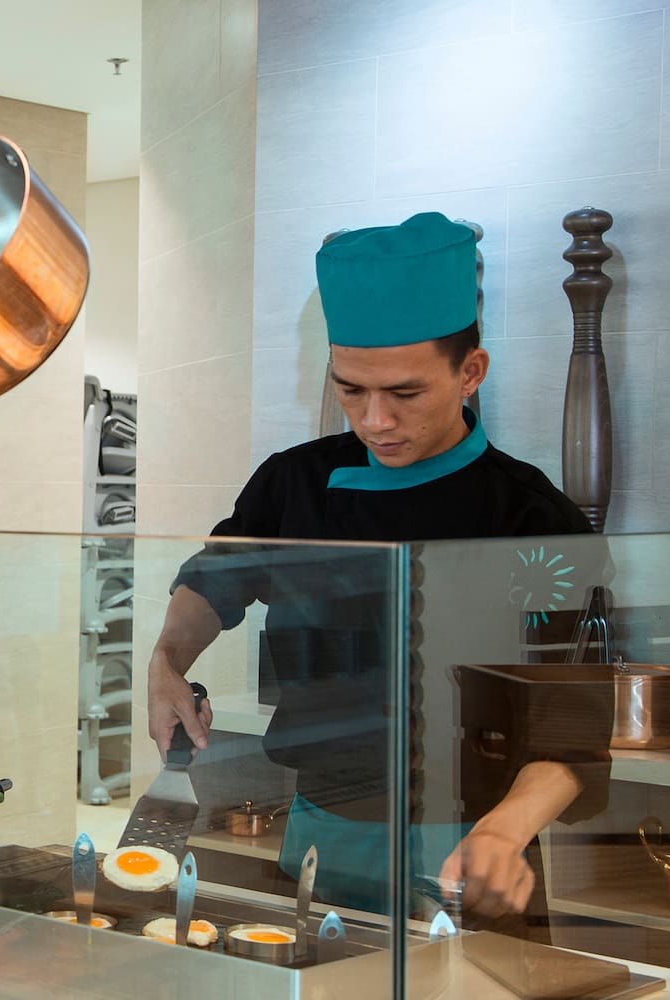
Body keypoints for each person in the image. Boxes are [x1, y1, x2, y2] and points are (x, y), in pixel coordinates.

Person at [143, 212, 604, 928]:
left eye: (405, 393)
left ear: (470, 372)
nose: (375, 419)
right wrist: (168, 659)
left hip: (472, 847)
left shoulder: (533, 519)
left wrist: (506, 830)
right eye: (352, 389)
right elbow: (215, 581)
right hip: (319, 832)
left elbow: (573, 727)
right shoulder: (294, 484)